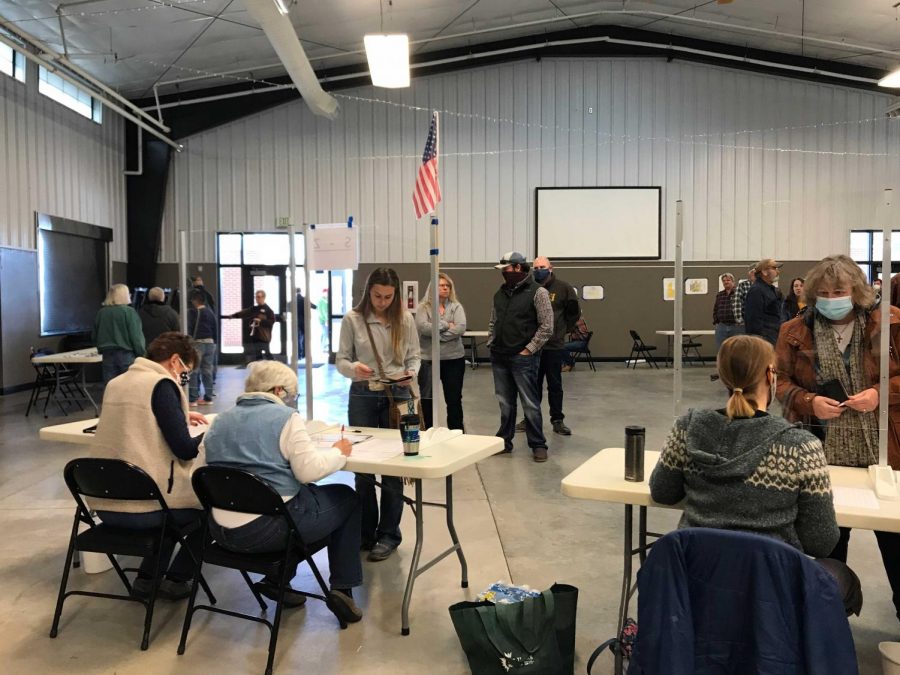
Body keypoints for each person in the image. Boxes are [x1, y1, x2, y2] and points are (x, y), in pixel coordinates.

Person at [650, 335, 860, 615]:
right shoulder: (801, 446)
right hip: (772, 590)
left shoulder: (687, 428)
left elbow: (663, 491)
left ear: (722, 375)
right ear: (770, 375)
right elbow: (820, 541)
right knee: (842, 577)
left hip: (696, 577)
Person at [776, 254, 900, 621]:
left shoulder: (891, 323)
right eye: (824, 292)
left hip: (886, 457)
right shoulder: (794, 331)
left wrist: (880, 394)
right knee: (827, 547)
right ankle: (825, 624)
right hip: (821, 458)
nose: (832, 298)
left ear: (857, 292)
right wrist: (808, 401)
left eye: (840, 291)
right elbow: (778, 382)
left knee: (895, 543)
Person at [202, 361, 362, 622]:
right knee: (346, 499)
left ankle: (278, 580)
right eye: (293, 394)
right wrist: (338, 452)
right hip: (267, 530)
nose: (293, 401)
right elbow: (308, 471)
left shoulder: (219, 420)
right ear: (278, 390)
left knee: (303, 505)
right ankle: (343, 589)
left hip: (219, 531)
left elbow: (201, 475)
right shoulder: (285, 418)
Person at [90, 332, 207, 600]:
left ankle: (147, 579)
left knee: (164, 508)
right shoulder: (162, 385)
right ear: (176, 360)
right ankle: (177, 580)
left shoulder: (117, 382)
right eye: (185, 372)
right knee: (206, 513)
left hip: (105, 504)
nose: (184, 378)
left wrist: (178, 414)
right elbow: (185, 449)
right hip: (144, 509)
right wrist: (210, 434)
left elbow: (136, 415)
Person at [336, 267, 420, 562]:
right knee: (363, 468)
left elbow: (414, 356)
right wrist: (353, 369)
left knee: (395, 468)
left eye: (388, 297)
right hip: (361, 394)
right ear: (368, 292)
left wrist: (412, 373)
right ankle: (365, 532)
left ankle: (389, 535)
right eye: (377, 296)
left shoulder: (405, 318)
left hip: (398, 394)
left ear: (396, 295)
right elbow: (341, 360)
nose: (382, 302)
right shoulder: (353, 319)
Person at [488, 252, 553, 462]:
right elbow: (494, 320)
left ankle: (538, 444)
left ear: (517, 268)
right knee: (505, 403)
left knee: (530, 404)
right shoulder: (499, 293)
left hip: (523, 359)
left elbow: (547, 326)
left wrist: (529, 349)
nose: (503, 274)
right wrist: (492, 341)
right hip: (500, 356)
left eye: (506, 269)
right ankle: (504, 442)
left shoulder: (538, 292)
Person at [519, 256, 579, 436]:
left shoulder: (564, 288)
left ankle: (558, 420)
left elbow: (574, 313)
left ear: (550, 268)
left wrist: (561, 331)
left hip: (554, 346)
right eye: (535, 267)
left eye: (542, 267)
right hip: (533, 347)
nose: (539, 270)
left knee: (554, 384)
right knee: (532, 385)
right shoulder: (528, 287)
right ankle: (529, 418)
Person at [416, 272, 467, 430]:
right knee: (427, 399)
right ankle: (428, 431)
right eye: (442, 285)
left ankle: (457, 432)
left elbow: (460, 328)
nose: (445, 288)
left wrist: (436, 336)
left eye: (447, 286)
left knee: (453, 399)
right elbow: (423, 328)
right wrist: (446, 325)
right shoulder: (423, 307)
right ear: (433, 288)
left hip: (454, 360)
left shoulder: (456, 306)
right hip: (428, 360)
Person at [93, 283, 146, 385]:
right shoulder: (129, 312)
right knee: (129, 386)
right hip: (126, 354)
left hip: (107, 354)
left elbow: (95, 335)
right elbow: (136, 337)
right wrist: (142, 353)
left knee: (110, 387)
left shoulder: (101, 313)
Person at [229, 290, 276, 365]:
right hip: (255, 335)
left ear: (264, 297)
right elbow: (244, 312)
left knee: (267, 353)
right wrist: (233, 316)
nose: (258, 299)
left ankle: (274, 367)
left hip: (264, 336)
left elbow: (271, 322)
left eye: (259, 297)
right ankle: (260, 369)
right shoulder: (254, 309)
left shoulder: (268, 311)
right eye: (256, 297)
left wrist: (260, 321)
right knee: (258, 354)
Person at [187, 290, 217, 406]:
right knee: (207, 370)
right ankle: (208, 398)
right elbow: (215, 329)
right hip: (210, 343)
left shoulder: (193, 312)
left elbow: (189, 328)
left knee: (194, 371)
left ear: (195, 301)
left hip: (197, 343)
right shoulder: (210, 313)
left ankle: (193, 399)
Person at [744, 258, 784, 345]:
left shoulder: (771, 290)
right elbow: (753, 319)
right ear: (764, 272)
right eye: (774, 268)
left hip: (773, 337)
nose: (778, 272)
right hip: (765, 341)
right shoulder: (756, 290)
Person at [712, 273, 741, 350]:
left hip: (736, 326)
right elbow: (716, 309)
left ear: (733, 281)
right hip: (722, 326)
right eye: (724, 281)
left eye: (728, 280)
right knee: (721, 349)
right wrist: (716, 321)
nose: (726, 282)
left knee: (737, 349)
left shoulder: (739, 293)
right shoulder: (720, 294)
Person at [731, 265, 756, 330]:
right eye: (752, 272)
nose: (754, 274)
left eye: (756, 272)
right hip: (747, 322)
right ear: (749, 274)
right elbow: (737, 302)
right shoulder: (743, 285)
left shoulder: (764, 285)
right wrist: (739, 320)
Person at [295, 290, 317, 360]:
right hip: (305, 321)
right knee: (305, 338)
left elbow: (288, 307)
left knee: (298, 338)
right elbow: (314, 306)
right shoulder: (304, 299)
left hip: (296, 322)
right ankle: (304, 354)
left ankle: (299, 355)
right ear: (300, 292)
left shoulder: (294, 300)